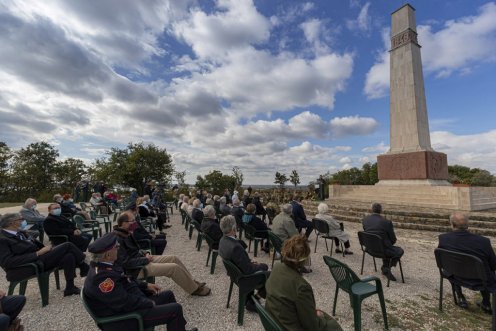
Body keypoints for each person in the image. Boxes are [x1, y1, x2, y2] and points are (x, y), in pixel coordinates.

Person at [83, 233, 197, 331]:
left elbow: (126, 279)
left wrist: (145, 285)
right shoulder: (102, 279)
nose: (118, 247)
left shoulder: (106, 265)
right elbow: (123, 303)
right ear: (107, 255)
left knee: (168, 295)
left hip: (131, 306)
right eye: (116, 247)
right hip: (125, 318)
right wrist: (147, 303)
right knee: (175, 310)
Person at [113, 212, 210, 296]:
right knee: (173, 268)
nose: (135, 223)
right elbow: (126, 263)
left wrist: (145, 253)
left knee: (173, 258)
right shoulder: (118, 239)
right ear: (124, 223)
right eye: (132, 221)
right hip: (136, 269)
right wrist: (145, 259)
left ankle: (192, 282)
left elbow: (136, 249)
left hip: (141, 260)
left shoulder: (126, 233)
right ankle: (193, 289)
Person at [265, 234, 343, 331]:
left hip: (276, 321)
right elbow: (312, 326)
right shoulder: (301, 287)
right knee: (333, 325)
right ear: (304, 259)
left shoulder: (277, 268)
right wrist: (321, 318)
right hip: (289, 327)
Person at [0, 213, 89, 296]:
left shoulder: (20, 232)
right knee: (67, 245)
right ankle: (84, 266)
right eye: (20, 219)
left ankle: (70, 287)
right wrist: (37, 253)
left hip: (38, 259)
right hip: (26, 267)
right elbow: (8, 262)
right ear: (12, 223)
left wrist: (44, 249)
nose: (23, 221)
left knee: (69, 256)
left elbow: (33, 241)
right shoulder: (3, 239)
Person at [438, 212, 496, 313]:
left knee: (452, 266)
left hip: (454, 276)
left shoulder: (444, 239)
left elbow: (442, 261)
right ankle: (486, 303)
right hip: (481, 280)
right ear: (467, 225)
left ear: (453, 225)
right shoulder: (483, 241)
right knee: (485, 270)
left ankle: (460, 297)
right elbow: (493, 265)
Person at [218, 216, 269, 312]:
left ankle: (249, 299)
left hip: (234, 275)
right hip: (243, 278)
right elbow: (248, 270)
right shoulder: (235, 246)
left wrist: (249, 261)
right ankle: (254, 300)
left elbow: (241, 263)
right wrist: (261, 266)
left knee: (258, 267)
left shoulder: (223, 240)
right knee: (269, 274)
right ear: (233, 228)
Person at [362, 202, 404, 282]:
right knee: (399, 251)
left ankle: (385, 266)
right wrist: (387, 244)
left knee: (386, 246)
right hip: (382, 250)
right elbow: (393, 239)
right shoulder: (387, 222)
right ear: (381, 210)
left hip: (369, 248)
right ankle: (386, 267)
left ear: (371, 209)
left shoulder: (365, 220)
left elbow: (367, 233)